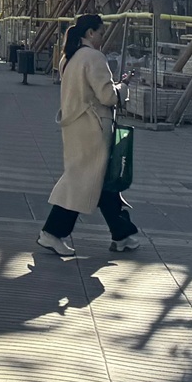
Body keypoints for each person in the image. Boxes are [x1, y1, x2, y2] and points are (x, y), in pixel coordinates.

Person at [37, 14, 139, 259]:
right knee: (82, 181)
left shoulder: (69, 58)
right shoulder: (94, 57)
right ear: (90, 33)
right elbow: (107, 96)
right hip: (93, 128)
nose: (103, 38)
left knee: (101, 180)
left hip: (76, 126)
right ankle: (52, 232)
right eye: (101, 33)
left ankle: (122, 234)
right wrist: (122, 87)